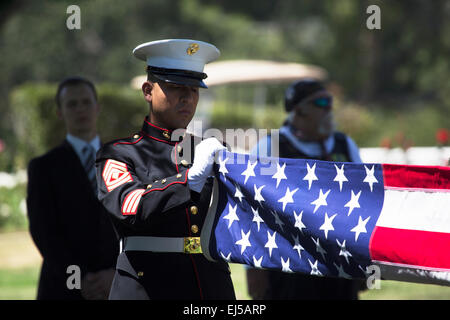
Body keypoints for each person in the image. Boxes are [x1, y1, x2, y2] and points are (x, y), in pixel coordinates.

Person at [96, 39, 236, 300]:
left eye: (194, 89)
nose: (187, 97)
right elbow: (131, 207)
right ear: (148, 90)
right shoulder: (119, 153)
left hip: (210, 286)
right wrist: (189, 181)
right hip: (148, 287)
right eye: (175, 87)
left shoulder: (210, 150)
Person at [247, 78, 364, 300]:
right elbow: (252, 210)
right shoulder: (271, 147)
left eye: (330, 101)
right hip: (288, 266)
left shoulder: (344, 145)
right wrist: (253, 269)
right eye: (321, 102)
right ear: (299, 111)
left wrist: (364, 262)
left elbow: (362, 203)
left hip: (340, 264)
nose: (329, 108)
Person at [26, 76, 119, 300]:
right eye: (72, 104)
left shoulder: (124, 161)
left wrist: (116, 275)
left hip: (116, 286)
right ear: (60, 112)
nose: (80, 109)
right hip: (63, 289)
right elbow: (44, 233)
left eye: (86, 102)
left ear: (97, 108)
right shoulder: (44, 168)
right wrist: (79, 282)